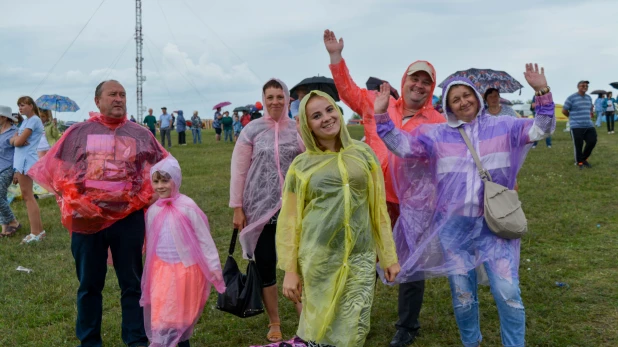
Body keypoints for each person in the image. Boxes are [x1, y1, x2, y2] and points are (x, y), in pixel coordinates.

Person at [374, 64, 554, 347]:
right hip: (454, 229)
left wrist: (542, 92)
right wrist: (382, 116)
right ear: (448, 106)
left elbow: (542, 128)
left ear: (477, 97)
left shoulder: (504, 126)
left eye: (467, 95)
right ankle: (472, 343)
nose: (463, 102)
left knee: (508, 292)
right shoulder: (436, 135)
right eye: (455, 99)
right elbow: (402, 146)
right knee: (463, 296)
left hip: (494, 225)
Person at [324, 28, 446, 347]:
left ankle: (407, 325)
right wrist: (336, 57)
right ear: (404, 79)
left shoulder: (436, 120)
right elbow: (348, 90)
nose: (418, 85)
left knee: (411, 261)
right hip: (373, 197)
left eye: (426, 82)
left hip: (413, 203)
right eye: (414, 79)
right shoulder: (380, 102)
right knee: (364, 255)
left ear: (431, 88)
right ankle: (356, 313)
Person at [29, 80, 167, 347]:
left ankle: (136, 338)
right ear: (98, 101)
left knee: (132, 283)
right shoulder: (78, 133)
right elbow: (56, 172)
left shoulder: (140, 134)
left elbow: (161, 169)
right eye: (112, 94)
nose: (119, 99)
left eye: (122, 94)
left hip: (128, 220)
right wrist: (74, 199)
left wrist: (145, 196)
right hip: (86, 221)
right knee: (89, 286)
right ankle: (89, 341)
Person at [277, 90, 400, 346]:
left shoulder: (364, 154)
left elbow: (378, 210)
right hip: (318, 259)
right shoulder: (301, 166)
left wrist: (388, 256)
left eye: (330, 110)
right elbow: (290, 221)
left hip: (360, 257)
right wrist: (291, 270)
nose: (326, 118)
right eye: (316, 115)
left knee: (354, 327)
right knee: (319, 327)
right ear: (307, 124)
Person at [230, 78, 303, 343]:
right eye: (269, 97)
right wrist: (237, 207)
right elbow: (239, 171)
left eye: (280, 96)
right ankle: (274, 321)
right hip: (260, 209)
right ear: (264, 98)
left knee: (298, 264)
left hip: (293, 210)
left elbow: (310, 162)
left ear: (287, 99)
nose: (275, 102)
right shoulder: (252, 130)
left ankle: (305, 318)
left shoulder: (298, 129)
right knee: (267, 265)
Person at [140, 155, 225, 347]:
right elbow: (151, 240)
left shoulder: (188, 208)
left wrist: (214, 267)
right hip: (161, 271)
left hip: (184, 272)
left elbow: (204, 240)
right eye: (156, 181)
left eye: (165, 180)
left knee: (179, 320)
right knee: (161, 317)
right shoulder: (153, 211)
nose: (160, 186)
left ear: (176, 180)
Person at [11, 96, 45, 244]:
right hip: (21, 161)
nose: (20, 108)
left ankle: (35, 232)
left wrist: (17, 139)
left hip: (26, 161)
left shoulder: (33, 120)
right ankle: (39, 230)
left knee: (28, 197)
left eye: (23, 105)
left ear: (31, 106)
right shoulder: (25, 121)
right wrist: (16, 139)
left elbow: (17, 141)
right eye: (19, 105)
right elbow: (13, 140)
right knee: (27, 196)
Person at [563, 80, 596, 169]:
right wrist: (572, 118)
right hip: (576, 125)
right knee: (578, 144)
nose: (585, 87)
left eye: (586, 86)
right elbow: (564, 110)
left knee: (592, 141)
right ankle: (579, 162)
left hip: (588, 125)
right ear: (578, 87)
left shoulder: (589, 98)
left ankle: (583, 159)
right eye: (582, 85)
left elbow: (590, 109)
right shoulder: (571, 98)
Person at [0, 106, 20, 238]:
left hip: (8, 167)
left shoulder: (15, 132)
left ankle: (13, 221)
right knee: (1, 197)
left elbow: (18, 153)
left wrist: (17, 171)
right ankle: (4, 227)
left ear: (4, 117)